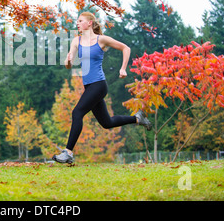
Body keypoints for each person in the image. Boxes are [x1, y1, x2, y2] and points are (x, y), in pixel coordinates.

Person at [52, 12, 152, 164]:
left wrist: (123, 68)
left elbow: (126, 48)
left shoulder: (101, 40)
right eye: (77, 21)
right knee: (107, 123)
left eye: (80, 21)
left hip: (99, 85)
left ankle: (68, 152)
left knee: (77, 112)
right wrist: (68, 60)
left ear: (90, 23)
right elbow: (68, 65)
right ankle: (137, 118)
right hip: (89, 87)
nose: (77, 23)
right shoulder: (76, 41)